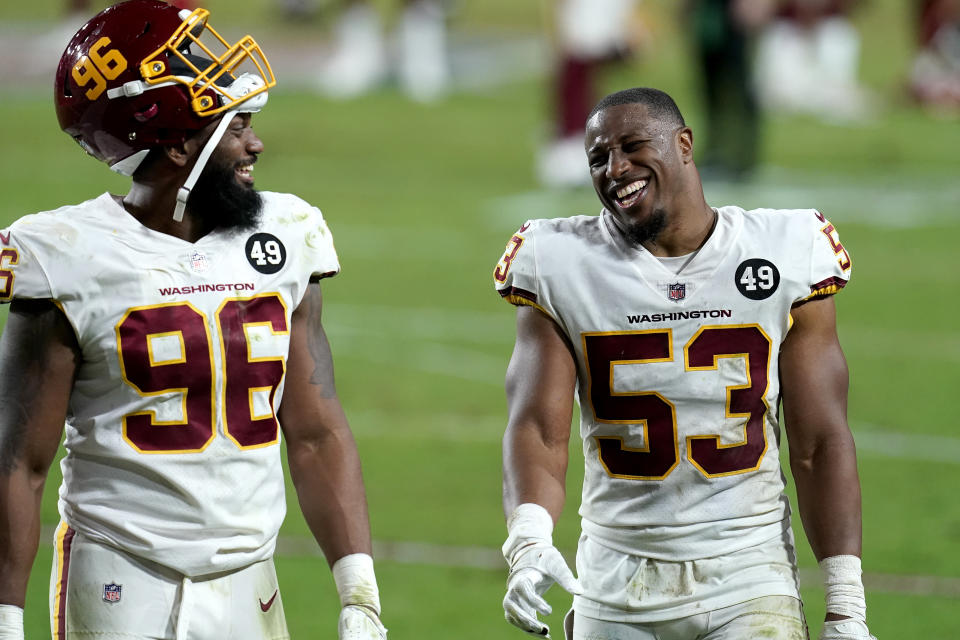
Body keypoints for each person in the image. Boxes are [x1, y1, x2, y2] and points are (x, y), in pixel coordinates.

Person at [0, 2, 386, 639]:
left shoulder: (286, 232)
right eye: (235, 126)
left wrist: (358, 593)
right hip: (120, 577)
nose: (255, 144)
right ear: (176, 142)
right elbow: (19, 463)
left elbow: (316, 429)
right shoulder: (65, 254)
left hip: (250, 581)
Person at [493, 87, 876, 640]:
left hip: (748, 568)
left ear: (685, 144)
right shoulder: (557, 259)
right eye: (598, 157)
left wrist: (845, 604)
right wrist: (528, 538)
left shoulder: (785, 248)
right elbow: (537, 426)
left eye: (631, 146)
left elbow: (819, 440)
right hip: (614, 575)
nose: (615, 168)